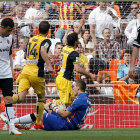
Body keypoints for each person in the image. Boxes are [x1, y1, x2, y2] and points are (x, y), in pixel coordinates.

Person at [11, 21, 54, 130]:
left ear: (38, 29)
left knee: (20, 98)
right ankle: (38, 123)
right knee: (41, 98)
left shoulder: (31, 39)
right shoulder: (46, 40)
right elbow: (43, 50)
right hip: (36, 72)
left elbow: (25, 55)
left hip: (25, 71)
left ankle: (4, 102)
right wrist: (49, 65)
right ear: (48, 31)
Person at [10, 79, 91, 131]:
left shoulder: (80, 99)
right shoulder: (86, 99)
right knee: (45, 108)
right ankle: (25, 123)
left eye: (73, 86)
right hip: (73, 123)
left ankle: (15, 121)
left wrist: (54, 107)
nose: (72, 88)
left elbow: (64, 114)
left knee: (41, 113)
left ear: (78, 88)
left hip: (66, 124)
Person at [56, 32, 94, 105]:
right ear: (76, 41)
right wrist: (89, 75)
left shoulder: (64, 48)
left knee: (70, 101)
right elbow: (78, 69)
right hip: (65, 79)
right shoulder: (74, 54)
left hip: (60, 77)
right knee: (64, 103)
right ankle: (49, 104)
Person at [0, 18, 22, 135]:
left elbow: (9, 55)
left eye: (11, 30)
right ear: (2, 27)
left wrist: (12, 71)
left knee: (8, 99)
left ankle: (12, 127)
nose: (9, 33)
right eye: (8, 30)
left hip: (6, 74)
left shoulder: (9, 38)